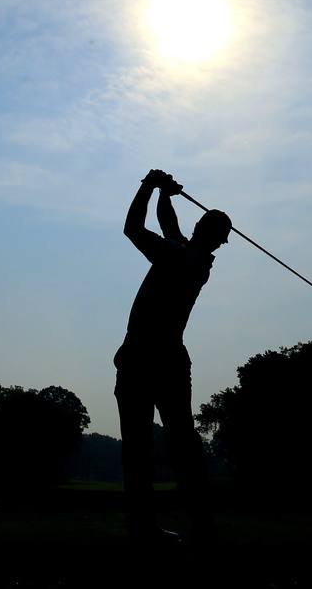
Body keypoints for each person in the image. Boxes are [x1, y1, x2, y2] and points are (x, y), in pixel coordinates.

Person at [115, 168, 231, 545]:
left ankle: (160, 527)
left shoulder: (182, 258)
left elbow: (132, 228)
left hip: (147, 358)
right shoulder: (190, 255)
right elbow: (168, 225)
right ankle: (189, 526)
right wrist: (165, 193)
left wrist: (150, 185)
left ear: (202, 230)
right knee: (175, 445)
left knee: (149, 447)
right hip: (161, 359)